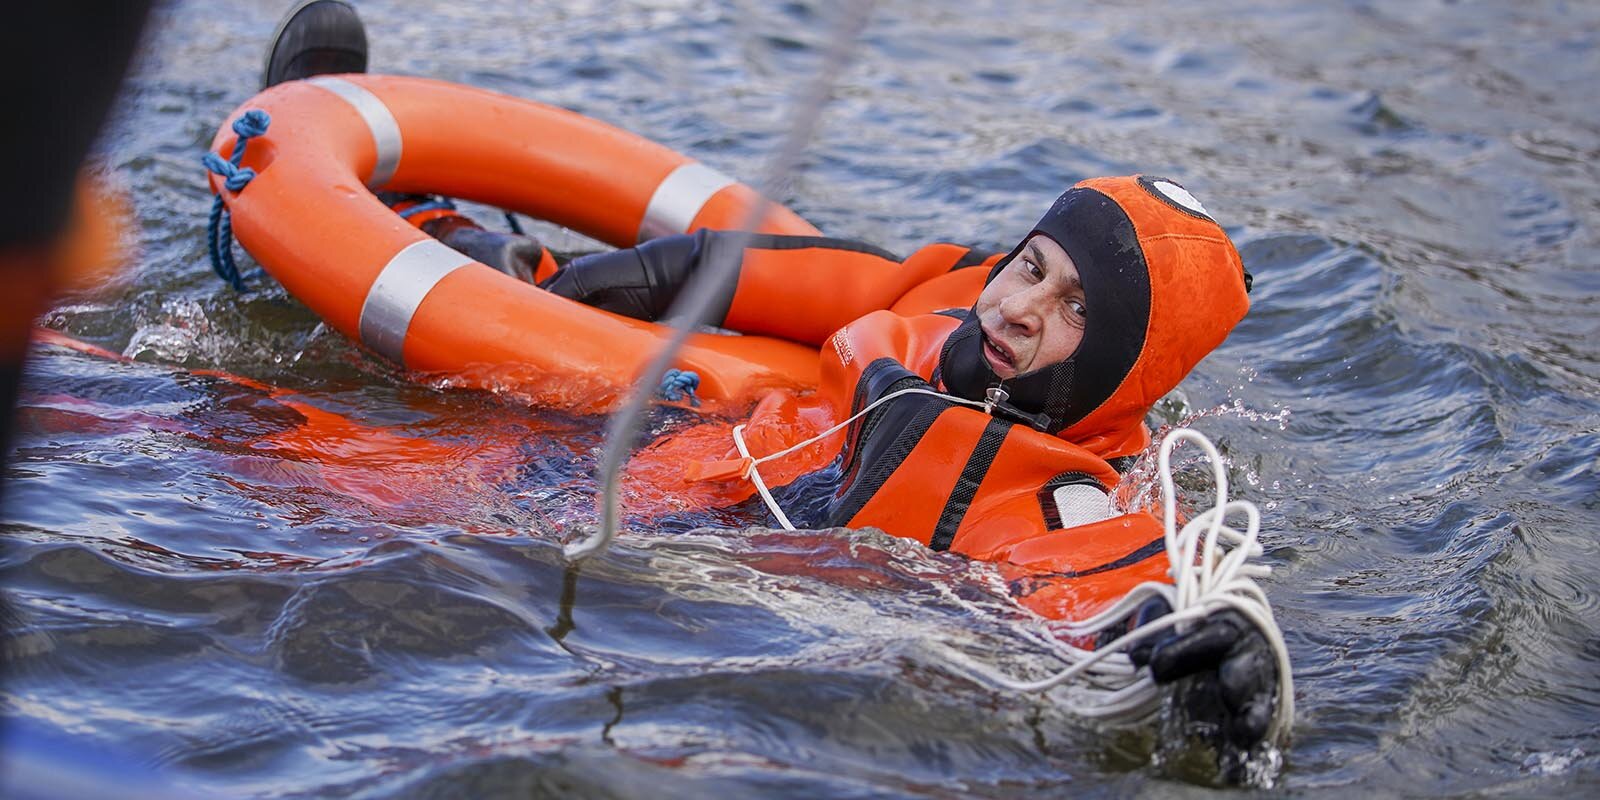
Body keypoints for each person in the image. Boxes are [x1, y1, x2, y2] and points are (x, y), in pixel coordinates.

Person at [264, 0, 1280, 764]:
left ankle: (154, 377)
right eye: (1033, 266)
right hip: (684, 431)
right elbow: (813, 274)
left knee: (262, 449)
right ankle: (395, 214)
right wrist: (643, 274)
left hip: (662, 543)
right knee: (514, 295)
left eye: (1078, 311)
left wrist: (1221, 664)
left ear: (1125, 370)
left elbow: (1122, 590)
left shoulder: (1061, 493)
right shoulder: (955, 293)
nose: (1020, 308)